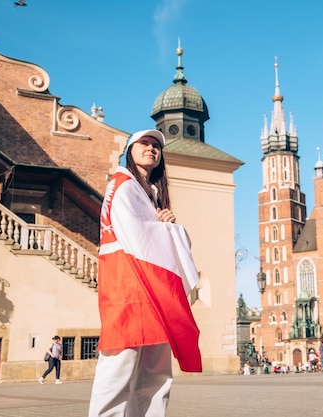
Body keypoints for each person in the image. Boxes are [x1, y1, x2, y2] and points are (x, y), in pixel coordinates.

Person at [88, 129, 202, 417]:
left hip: (151, 290)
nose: (151, 149)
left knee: (156, 373)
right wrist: (167, 229)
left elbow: (156, 239)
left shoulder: (148, 193)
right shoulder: (123, 184)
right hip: (129, 285)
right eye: (144, 143)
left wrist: (168, 224)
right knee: (119, 368)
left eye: (156, 146)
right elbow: (137, 236)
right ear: (130, 150)